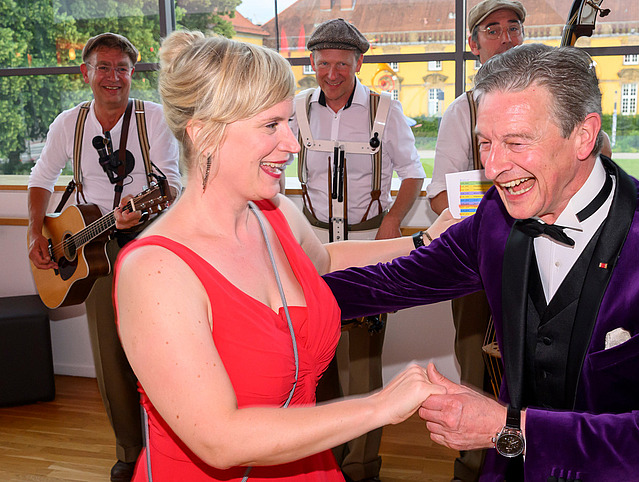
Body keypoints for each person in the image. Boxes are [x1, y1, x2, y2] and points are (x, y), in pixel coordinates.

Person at [324, 44, 639, 481]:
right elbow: (391, 283)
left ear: (584, 136)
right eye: (485, 143)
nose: (494, 167)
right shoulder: (495, 215)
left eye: (516, 142)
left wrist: (506, 427)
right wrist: (270, 300)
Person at [113, 31, 449, 481]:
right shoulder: (155, 271)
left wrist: (423, 240)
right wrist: (379, 405)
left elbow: (325, 261)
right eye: (271, 126)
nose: (292, 145)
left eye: (289, 123)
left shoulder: (273, 213)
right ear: (204, 134)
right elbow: (220, 439)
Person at [27, 32, 182, 482]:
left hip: (148, 239)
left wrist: (141, 209)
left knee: (159, 348)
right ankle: (129, 452)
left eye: (123, 69)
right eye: (104, 68)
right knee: (109, 355)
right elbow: (41, 180)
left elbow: (169, 185)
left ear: (134, 74)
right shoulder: (68, 124)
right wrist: (36, 232)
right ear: (86, 73)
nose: (113, 78)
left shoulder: (153, 119)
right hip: (89, 249)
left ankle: (171, 446)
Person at [289, 18, 427, 482]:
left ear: (358, 64)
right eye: (323, 63)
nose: (331, 74)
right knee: (315, 357)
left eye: (342, 65)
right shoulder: (297, 108)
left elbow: (413, 174)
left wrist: (390, 224)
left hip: (368, 241)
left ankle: (362, 465)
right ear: (312, 62)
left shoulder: (384, 110)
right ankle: (324, 456)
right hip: (312, 245)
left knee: (362, 358)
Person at [424, 1, 525, 479]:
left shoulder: (549, 99)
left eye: (513, 27)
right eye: (492, 29)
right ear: (474, 45)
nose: (505, 37)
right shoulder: (460, 112)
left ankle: (532, 455)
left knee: (537, 361)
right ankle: (474, 465)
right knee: (475, 361)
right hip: (477, 260)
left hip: (543, 256)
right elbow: (440, 192)